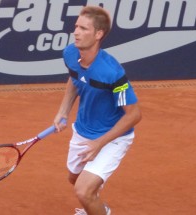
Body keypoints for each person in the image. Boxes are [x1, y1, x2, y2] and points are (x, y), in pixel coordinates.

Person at [54, 5, 142, 215]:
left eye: (84, 28)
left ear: (98, 34)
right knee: (74, 179)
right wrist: (63, 110)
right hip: (83, 131)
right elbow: (75, 79)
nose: (76, 32)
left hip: (113, 137)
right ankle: (98, 206)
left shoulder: (112, 73)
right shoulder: (70, 53)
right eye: (76, 26)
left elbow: (134, 114)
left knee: (83, 191)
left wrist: (99, 143)